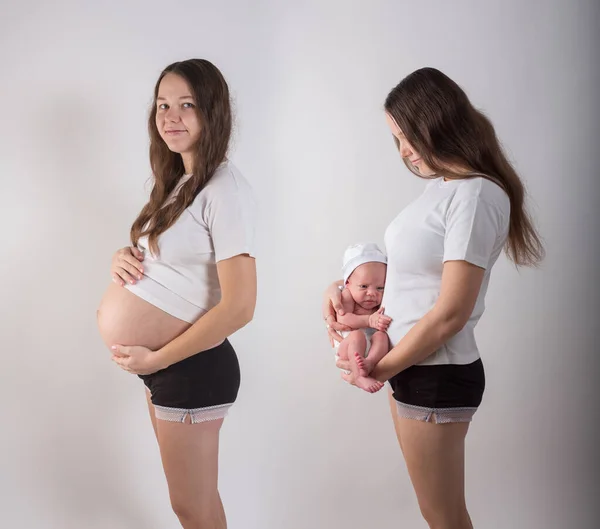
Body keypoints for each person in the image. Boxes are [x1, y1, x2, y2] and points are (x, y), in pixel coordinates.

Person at [322, 67, 544, 528]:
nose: (403, 151)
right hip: (412, 365)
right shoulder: (442, 189)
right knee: (434, 512)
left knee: (443, 516)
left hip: (434, 373)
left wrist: (383, 367)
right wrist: (340, 288)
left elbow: (450, 314)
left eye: (408, 136)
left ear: (437, 121)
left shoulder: (477, 195)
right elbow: (403, 276)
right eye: (396, 140)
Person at [96, 59, 257, 529]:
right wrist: (119, 261)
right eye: (163, 105)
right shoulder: (182, 185)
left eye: (186, 105)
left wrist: (157, 359)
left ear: (213, 113)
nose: (170, 116)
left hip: (190, 366)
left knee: (193, 507)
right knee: (194, 504)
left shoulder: (224, 189)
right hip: (169, 368)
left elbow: (241, 305)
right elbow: (168, 266)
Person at [332, 242, 391, 393]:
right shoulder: (346, 295)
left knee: (381, 336)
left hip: (369, 351)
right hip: (348, 348)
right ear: (348, 283)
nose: (372, 293)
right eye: (364, 286)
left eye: (380, 288)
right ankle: (359, 376)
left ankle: (369, 363)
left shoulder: (380, 300)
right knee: (357, 335)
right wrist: (369, 320)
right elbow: (343, 320)